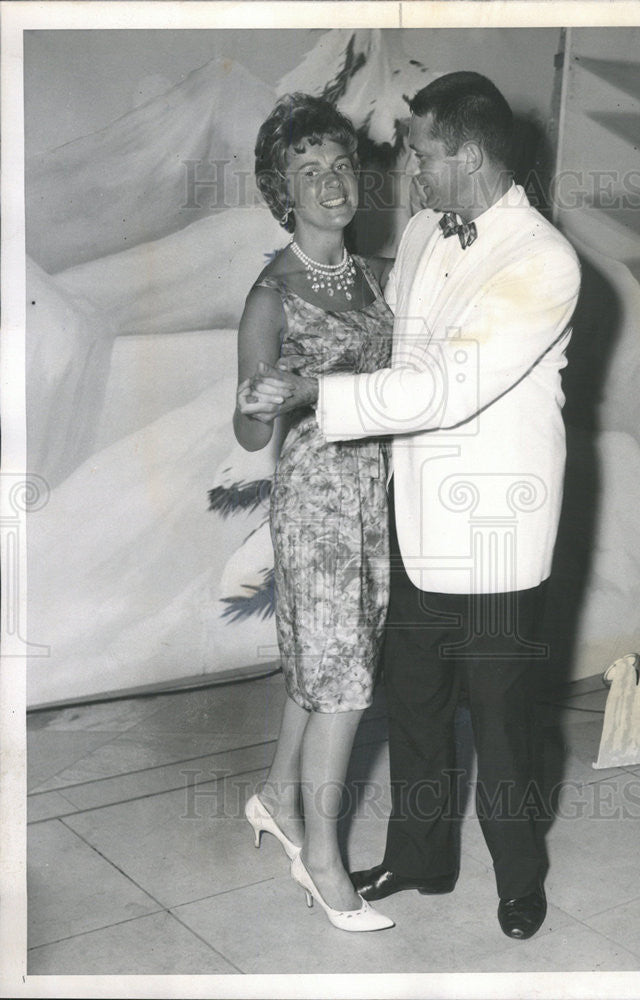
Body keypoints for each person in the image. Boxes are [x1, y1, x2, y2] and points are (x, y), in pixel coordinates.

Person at [252, 72, 581, 940]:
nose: (410, 171)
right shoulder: (432, 228)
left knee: (505, 720)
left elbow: (444, 385)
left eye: (423, 153)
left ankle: (519, 876)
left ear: (467, 155)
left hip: (497, 528)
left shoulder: (544, 258)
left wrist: (312, 392)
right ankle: (423, 856)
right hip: (416, 515)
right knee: (417, 702)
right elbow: (389, 331)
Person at [234, 93, 395, 933]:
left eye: (339, 166)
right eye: (309, 172)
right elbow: (249, 427)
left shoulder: (373, 275)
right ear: (283, 191)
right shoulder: (273, 294)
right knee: (344, 680)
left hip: (375, 494)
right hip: (318, 502)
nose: (331, 184)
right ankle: (324, 859)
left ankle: (272, 795)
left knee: (329, 659)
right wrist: (259, 402)